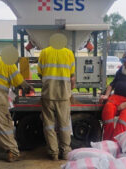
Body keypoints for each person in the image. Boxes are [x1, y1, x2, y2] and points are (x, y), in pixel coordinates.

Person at [37, 33, 75, 161]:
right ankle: (65, 153)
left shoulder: (44, 53)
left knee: (49, 125)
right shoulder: (69, 53)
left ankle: (53, 153)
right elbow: (72, 76)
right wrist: (71, 89)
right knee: (64, 125)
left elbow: (40, 74)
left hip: (48, 94)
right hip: (63, 95)